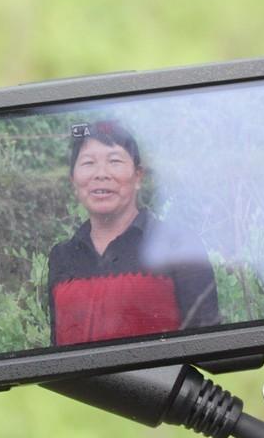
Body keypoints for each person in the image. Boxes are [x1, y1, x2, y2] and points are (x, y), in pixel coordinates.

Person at [47, 120, 220, 346]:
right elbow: (58, 353)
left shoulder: (178, 244)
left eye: (114, 161)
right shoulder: (62, 257)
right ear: (73, 181)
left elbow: (209, 343)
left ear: (138, 176)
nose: (101, 174)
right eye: (88, 163)